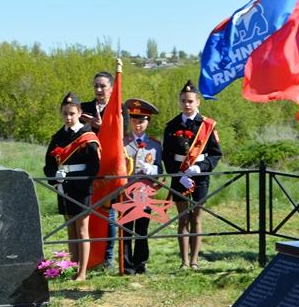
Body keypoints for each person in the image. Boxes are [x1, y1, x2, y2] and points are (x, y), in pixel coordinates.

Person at [162, 80, 222, 270]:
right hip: (179, 175)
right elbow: (167, 155)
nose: (187, 105)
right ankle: (184, 262)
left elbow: (215, 154)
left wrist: (200, 168)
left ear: (198, 102)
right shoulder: (172, 125)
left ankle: (194, 261)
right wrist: (178, 174)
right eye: (183, 101)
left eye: (190, 101)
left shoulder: (207, 125)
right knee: (182, 218)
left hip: (199, 175)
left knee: (196, 218)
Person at [44, 92, 100, 281]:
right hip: (63, 185)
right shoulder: (58, 136)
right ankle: (73, 268)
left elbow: (94, 166)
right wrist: (54, 176)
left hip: (82, 186)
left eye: (72, 114)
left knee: (82, 229)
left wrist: (79, 180)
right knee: (70, 229)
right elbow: (49, 162)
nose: (68, 118)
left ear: (80, 113)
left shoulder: (87, 136)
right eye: (65, 114)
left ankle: (82, 272)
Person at [80, 71, 128, 269]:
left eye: (103, 86)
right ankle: (88, 258)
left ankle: (107, 258)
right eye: (96, 86)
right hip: (89, 165)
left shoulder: (119, 107)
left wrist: (102, 127)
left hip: (110, 166)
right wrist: (89, 126)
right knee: (88, 212)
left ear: (111, 88)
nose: (99, 90)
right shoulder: (84, 108)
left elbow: (120, 136)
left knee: (108, 213)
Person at [122, 98, 162, 274]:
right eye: (134, 120)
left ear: (148, 122)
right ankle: (126, 263)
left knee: (142, 228)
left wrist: (151, 169)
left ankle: (140, 262)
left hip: (144, 192)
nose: (137, 125)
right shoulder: (122, 143)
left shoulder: (155, 145)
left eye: (141, 121)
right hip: (125, 191)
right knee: (126, 228)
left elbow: (160, 170)